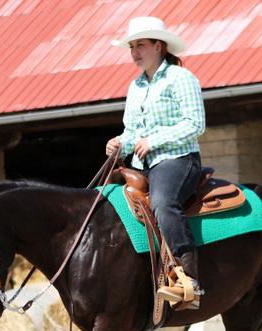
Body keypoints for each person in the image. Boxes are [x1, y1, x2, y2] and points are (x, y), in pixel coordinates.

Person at [106, 16, 206, 309]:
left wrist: (154, 140)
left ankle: (190, 280)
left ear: (159, 46)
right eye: (131, 47)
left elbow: (195, 124)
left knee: (163, 203)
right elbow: (131, 132)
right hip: (143, 165)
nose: (134, 52)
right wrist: (118, 143)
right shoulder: (135, 86)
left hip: (177, 159)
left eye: (141, 45)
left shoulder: (180, 78)